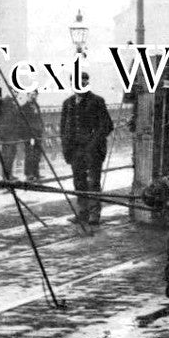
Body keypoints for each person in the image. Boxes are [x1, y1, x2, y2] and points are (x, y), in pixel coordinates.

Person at [60, 73, 113, 225]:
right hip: (75, 151)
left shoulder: (96, 101)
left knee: (93, 182)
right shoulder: (68, 103)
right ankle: (82, 213)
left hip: (93, 151)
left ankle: (94, 215)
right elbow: (63, 129)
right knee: (79, 182)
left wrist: (93, 144)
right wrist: (66, 148)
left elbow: (107, 126)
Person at [20, 89, 44, 181]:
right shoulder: (24, 108)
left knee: (37, 154)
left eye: (35, 94)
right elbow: (23, 122)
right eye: (31, 94)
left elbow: (39, 118)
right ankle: (29, 174)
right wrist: (28, 133)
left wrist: (41, 127)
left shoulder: (36, 106)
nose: (33, 96)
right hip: (29, 135)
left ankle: (36, 173)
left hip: (37, 134)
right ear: (28, 95)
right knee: (29, 154)